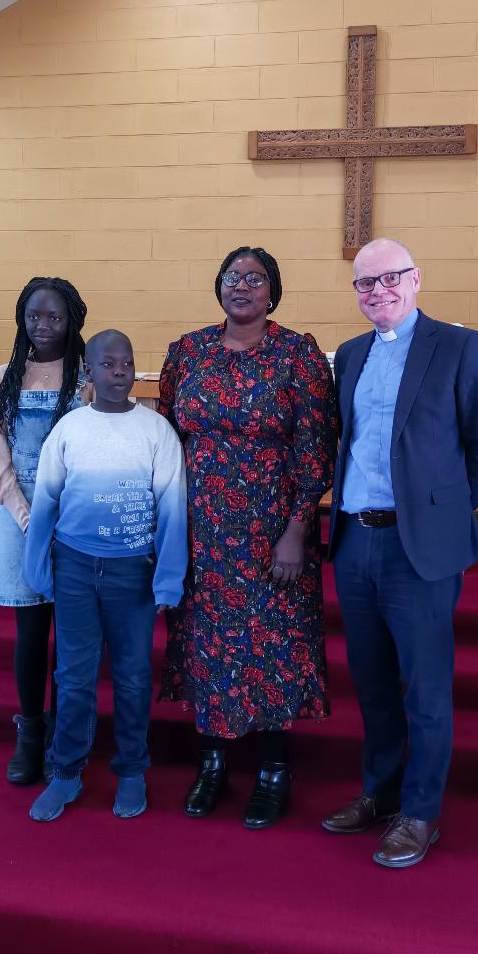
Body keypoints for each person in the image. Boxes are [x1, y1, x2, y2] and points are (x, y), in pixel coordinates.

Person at [322, 238, 478, 867]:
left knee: (424, 689)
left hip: (417, 549)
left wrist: (440, 516)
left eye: (390, 278)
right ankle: (380, 791)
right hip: (354, 541)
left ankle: (421, 812)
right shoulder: (349, 355)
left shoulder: (460, 347)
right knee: (372, 684)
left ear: (417, 278)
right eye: (365, 283)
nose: (378, 290)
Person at [158, 246, 337, 829]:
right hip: (200, 530)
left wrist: (297, 530)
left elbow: (315, 448)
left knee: (271, 647)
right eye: (233, 277)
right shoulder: (188, 352)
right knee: (205, 642)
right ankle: (211, 765)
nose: (242, 287)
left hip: (271, 533)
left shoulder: (297, 354)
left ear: (272, 289)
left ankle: (272, 771)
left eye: (255, 279)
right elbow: (164, 439)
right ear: (218, 285)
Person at [23, 330, 187, 822]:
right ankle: (66, 771)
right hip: (74, 568)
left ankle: (132, 769)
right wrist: (38, 567)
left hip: (132, 573)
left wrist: (168, 579)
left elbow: (173, 507)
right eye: (108, 363)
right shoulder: (70, 429)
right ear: (88, 373)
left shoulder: (156, 430)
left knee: (134, 678)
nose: (120, 371)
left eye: (127, 362)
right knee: (73, 678)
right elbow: (46, 502)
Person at [0, 276, 90, 785]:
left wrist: (63, 517)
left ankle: (68, 735)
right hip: (19, 516)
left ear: (72, 322)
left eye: (54, 317)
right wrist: (29, 518)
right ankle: (30, 732)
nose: (43, 326)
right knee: (30, 629)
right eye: (34, 316)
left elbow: (92, 453)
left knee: (69, 633)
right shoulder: (0, 379)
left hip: (74, 519)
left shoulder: (87, 378)